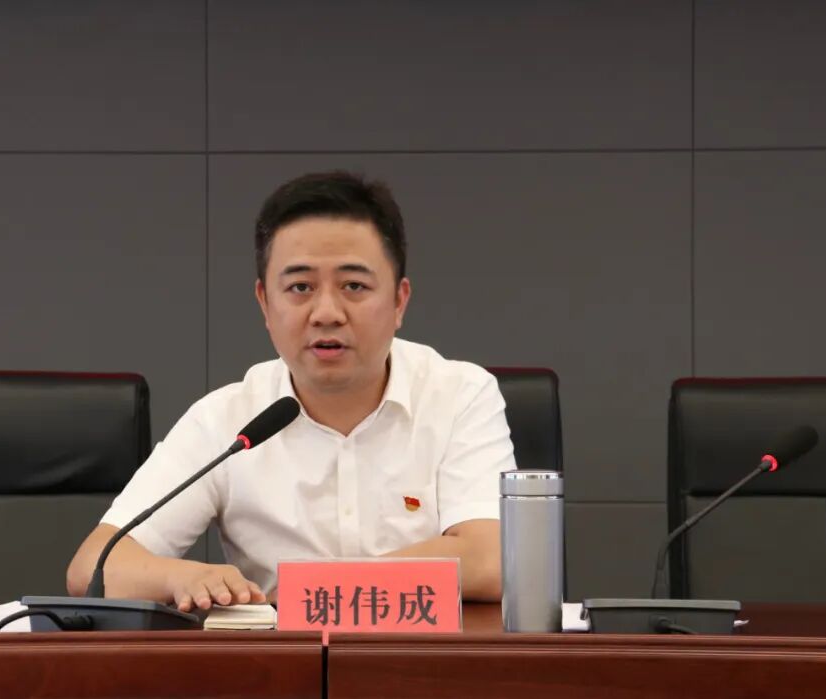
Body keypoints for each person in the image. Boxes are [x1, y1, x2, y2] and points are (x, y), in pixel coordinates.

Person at [67, 171, 517, 612]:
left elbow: (492, 558)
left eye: (354, 286)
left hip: (422, 659)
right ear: (265, 303)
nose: (327, 312)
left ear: (399, 301)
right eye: (300, 287)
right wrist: (181, 578)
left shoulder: (459, 396)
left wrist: (317, 591)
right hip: (279, 661)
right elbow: (93, 569)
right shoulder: (227, 421)